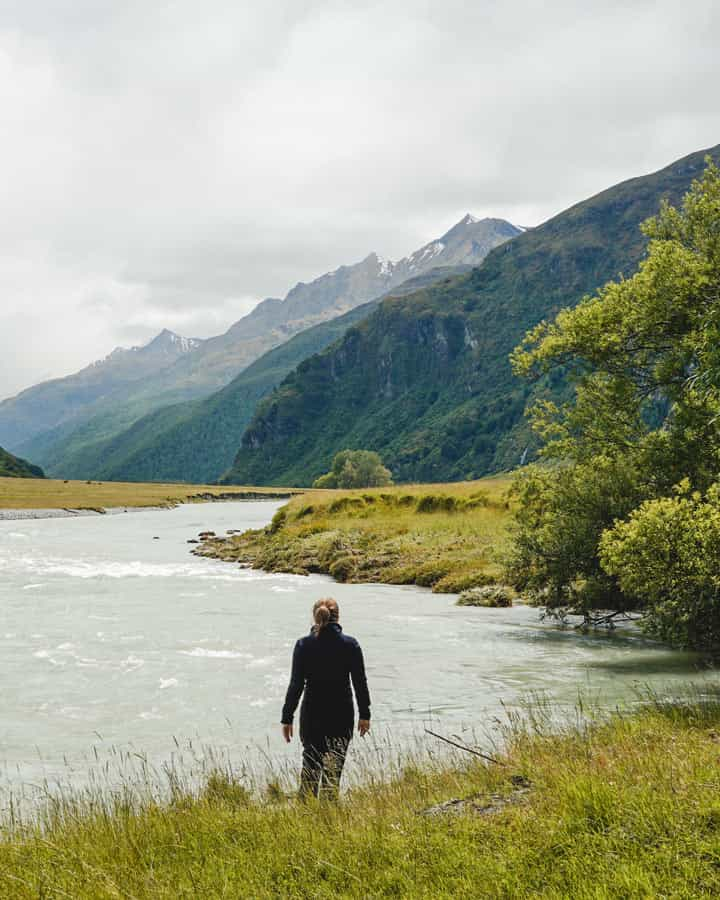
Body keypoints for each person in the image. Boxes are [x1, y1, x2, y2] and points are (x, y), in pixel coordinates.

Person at [281, 597, 371, 798]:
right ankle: (328, 820)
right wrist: (365, 715)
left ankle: (306, 818)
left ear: (315, 617)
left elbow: (296, 685)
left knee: (310, 771)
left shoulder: (303, 645)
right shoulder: (350, 645)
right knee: (333, 774)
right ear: (338, 618)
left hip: (312, 716)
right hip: (341, 716)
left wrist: (287, 718)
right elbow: (360, 683)